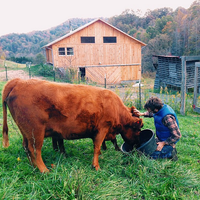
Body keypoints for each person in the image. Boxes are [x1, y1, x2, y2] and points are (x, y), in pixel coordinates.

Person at [135, 96, 181, 160]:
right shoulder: (159, 109)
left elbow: (177, 136)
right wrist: (142, 114)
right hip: (160, 138)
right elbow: (152, 114)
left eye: (150, 110)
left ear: (156, 109)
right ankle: (165, 150)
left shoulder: (168, 118)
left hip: (168, 142)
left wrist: (163, 143)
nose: (150, 112)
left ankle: (170, 152)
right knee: (144, 148)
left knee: (149, 155)